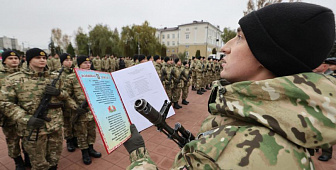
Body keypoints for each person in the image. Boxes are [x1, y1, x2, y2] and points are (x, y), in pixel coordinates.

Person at [123, 2, 336, 169]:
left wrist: (138, 153)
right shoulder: (286, 121)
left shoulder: (226, 156)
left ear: (267, 55)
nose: (225, 47)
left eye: (240, 37)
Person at [0, 48, 78, 170]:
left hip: (55, 126)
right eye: (38, 58)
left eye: (44, 58)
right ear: (29, 60)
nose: (42, 60)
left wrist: (58, 93)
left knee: (54, 158)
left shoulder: (55, 77)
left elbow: (66, 96)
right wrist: (26, 118)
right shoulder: (14, 79)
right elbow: (5, 103)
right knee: (38, 163)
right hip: (33, 127)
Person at [64, 56, 102, 165]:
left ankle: (91, 148)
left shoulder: (95, 76)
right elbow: (66, 96)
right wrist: (76, 108)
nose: (88, 65)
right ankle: (84, 153)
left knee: (91, 131)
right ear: (79, 64)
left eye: (89, 63)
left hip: (92, 111)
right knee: (81, 133)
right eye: (85, 63)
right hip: (80, 111)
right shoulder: (71, 78)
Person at [0, 51, 26, 169]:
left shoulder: (25, 73)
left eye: (16, 58)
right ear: (4, 60)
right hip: (8, 115)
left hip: (25, 113)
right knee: (12, 140)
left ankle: (28, 157)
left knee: (27, 138)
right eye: (10, 58)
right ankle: (18, 161)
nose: (14, 60)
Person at [58, 53, 77, 152]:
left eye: (70, 60)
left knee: (75, 121)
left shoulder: (76, 72)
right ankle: (69, 140)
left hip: (76, 102)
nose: (69, 62)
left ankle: (75, 138)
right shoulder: (58, 74)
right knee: (67, 123)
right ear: (62, 62)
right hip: (64, 102)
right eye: (66, 60)